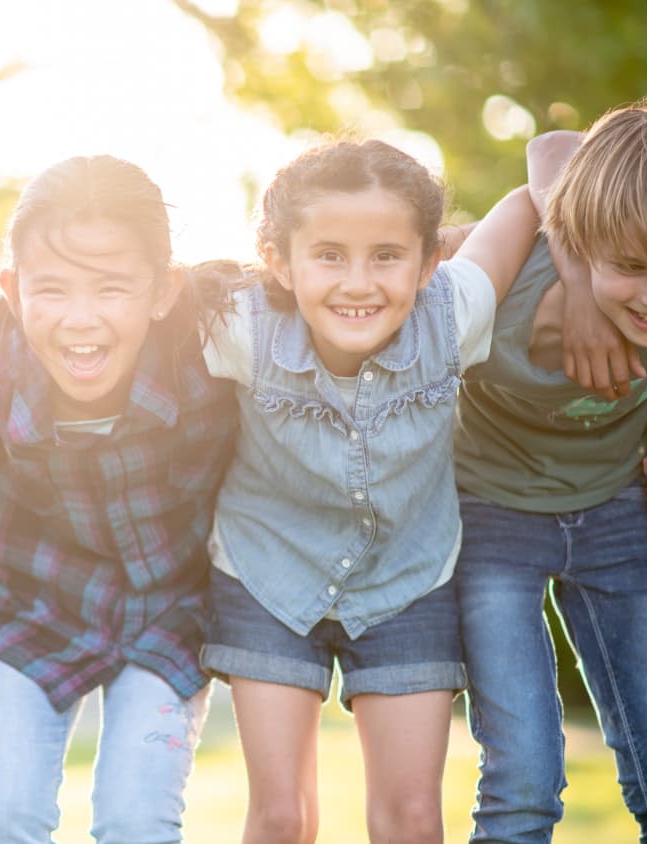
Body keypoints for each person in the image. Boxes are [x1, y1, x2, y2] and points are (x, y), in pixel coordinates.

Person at [195, 139, 540, 844]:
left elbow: (528, 202)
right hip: (269, 572)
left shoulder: (455, 312)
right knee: (281, 815)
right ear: (280, 262)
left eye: (387, 255)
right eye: (328, 255)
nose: (358, 283)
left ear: (429, 261)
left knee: (411, 819)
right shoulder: (239, 327)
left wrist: (594, 279)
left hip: (407, 579)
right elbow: (109, 285)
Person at [0, 154, 239, 843]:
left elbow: (329, 261)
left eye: (111, 288)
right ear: (13, 292)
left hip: (171, 614)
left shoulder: (213, 344)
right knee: (2, 817)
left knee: (136, 820)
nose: (80, 321)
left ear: (163, 290)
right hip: (37, 604)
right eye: (50, 291)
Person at [454, 100, 647, 843]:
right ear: (584, 241)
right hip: (491, 515)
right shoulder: (507, 286)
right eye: (629, 269)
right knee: (522, 780)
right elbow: (550, 147)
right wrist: (577, 280)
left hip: (615, 512)